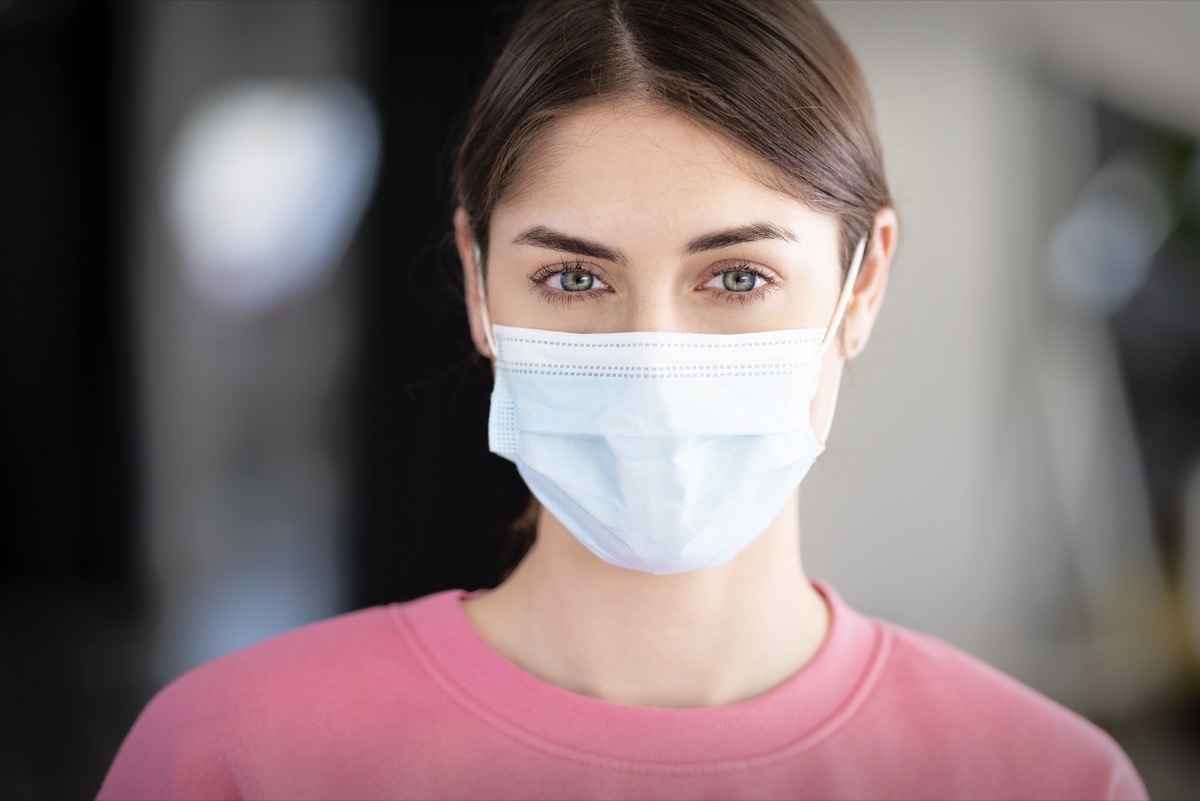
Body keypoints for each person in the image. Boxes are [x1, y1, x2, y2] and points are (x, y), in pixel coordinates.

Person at [98, 1, 1149, 798]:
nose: (653, 361)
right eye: (574, 277)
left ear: (861, 282)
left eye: (736, 278)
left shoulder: (1043, 777)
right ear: (477, 282)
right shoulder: (239, 754)